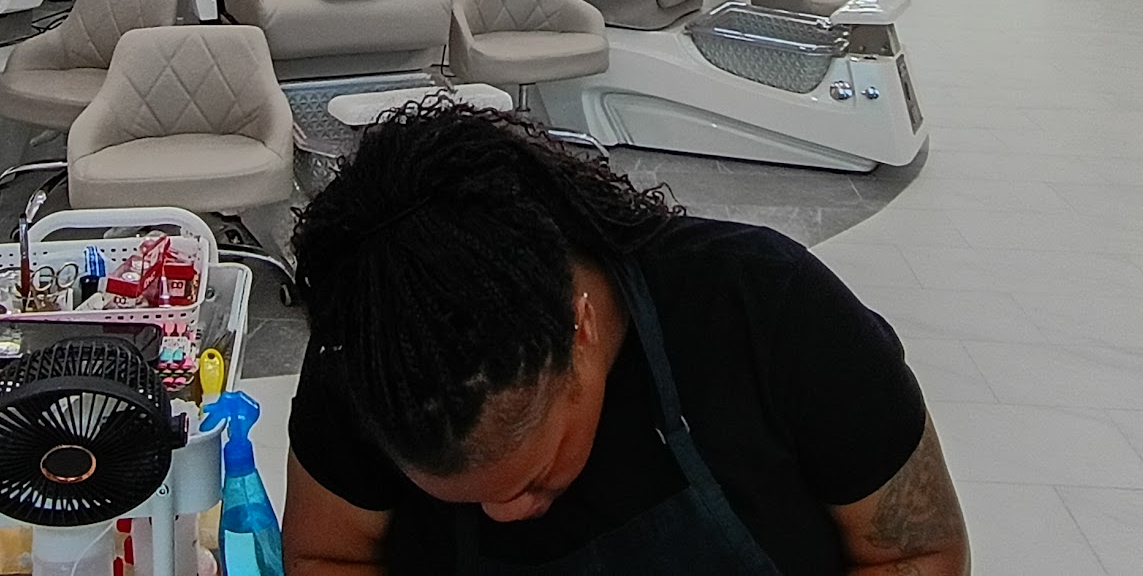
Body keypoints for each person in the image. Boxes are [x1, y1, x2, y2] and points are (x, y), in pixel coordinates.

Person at [285, 103, 970, 575]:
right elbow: (330, 556)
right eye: (460, 499)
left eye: (533, 476)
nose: (507, 512)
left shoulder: (768, 308)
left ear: (579, 329)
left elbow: (917, 552)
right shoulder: (373, 353)